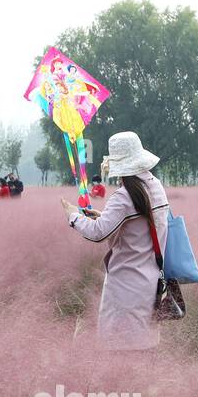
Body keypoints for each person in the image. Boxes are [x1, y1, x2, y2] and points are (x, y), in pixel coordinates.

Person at [61, 131, 169, 351]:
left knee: (120, 351)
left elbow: (98, 234)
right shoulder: (155, 185)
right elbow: (139, 226)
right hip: (152, 284)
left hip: (125, 289)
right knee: (145, 349)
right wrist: (105, 217)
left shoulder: (124, 196)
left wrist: (73, 216)